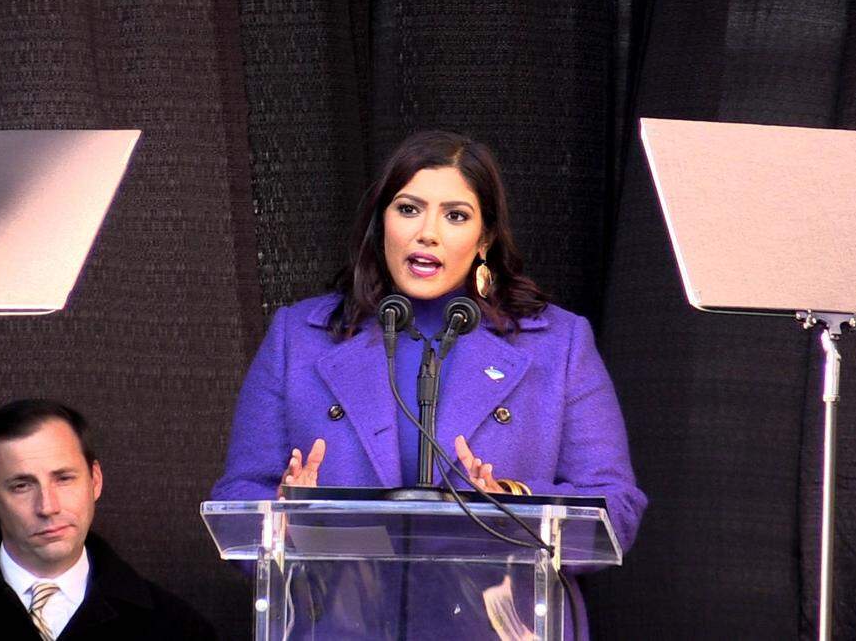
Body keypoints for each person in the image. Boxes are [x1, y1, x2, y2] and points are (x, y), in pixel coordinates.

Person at [211, 130, 647, 640]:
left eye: (456, 215)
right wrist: (291, 514)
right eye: (409, 209)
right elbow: (240, 495)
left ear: (485, 239)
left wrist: (511, 500)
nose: (428, 233)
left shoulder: (557, 344)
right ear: (381, 224)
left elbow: (616, 508)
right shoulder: (298, 338)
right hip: (339, 625)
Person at [0, 399, 216, 640]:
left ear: (95, 481)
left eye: (64, 478)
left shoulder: (175, 627)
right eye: (22, 485)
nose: (47, 506)